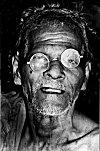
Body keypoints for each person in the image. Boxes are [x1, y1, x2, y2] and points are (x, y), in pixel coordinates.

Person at [1, 2, 99, 151]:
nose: (55, 72)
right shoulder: (6, 128)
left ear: (85, 76)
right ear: (17, 71)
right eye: (39, 58)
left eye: (70, 60)